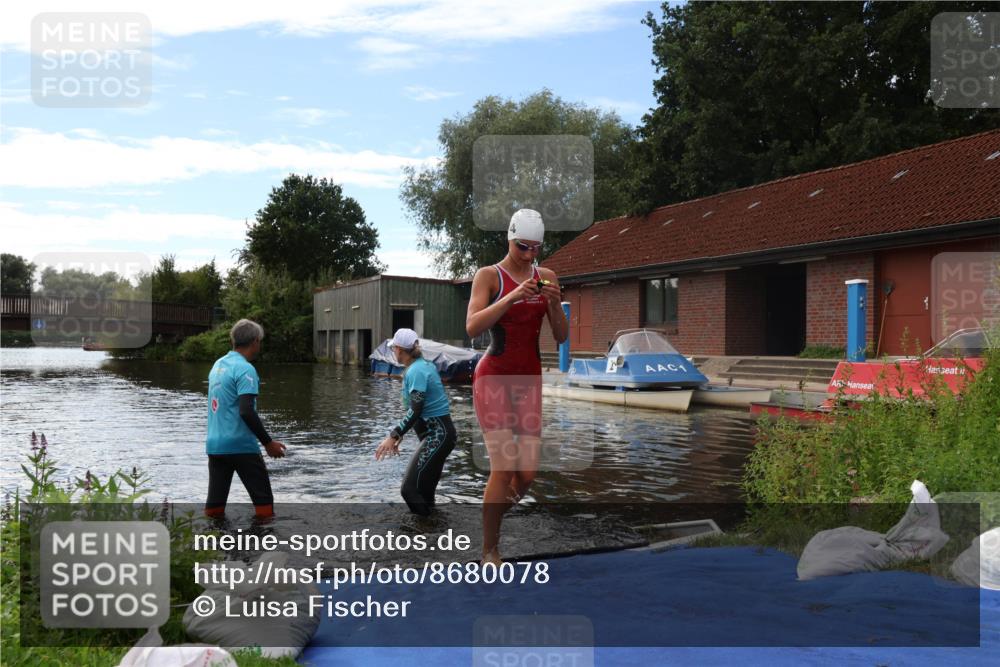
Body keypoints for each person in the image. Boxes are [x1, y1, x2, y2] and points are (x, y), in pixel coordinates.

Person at [466, 209, 569, 564]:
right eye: (522, 247)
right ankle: (489, 548)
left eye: (535, 248)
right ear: (509, 239)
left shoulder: (547, 277)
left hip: (528, 380)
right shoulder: (489, 276)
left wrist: (555, 305)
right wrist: (511, 297)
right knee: (504, 467)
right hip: (493, 375)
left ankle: (489, 516)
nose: (528, 255)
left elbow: (561, 335)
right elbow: (472, 327)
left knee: (526, 475)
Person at [204, 319, 286, 518]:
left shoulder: (218, 366)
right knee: (264, 505)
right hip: (241, 446)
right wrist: (268, 443)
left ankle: (212, 545)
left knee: (215, 506)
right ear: (255, 341)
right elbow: (246, 411)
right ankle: (260, 545)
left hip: (215, 446)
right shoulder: (245, 369)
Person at [375, 328, 457, 515]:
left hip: (438, 436)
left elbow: (416, 409)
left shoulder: (417, 371)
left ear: (399, 350)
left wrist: (394, 435)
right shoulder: (420, 366)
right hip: (440, 436)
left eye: (393, 349)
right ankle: (434, 533)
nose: (393, 352)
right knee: (425, 493)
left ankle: (426, 529)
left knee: (409, 490)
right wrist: (401, 436)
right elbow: (419, 412)